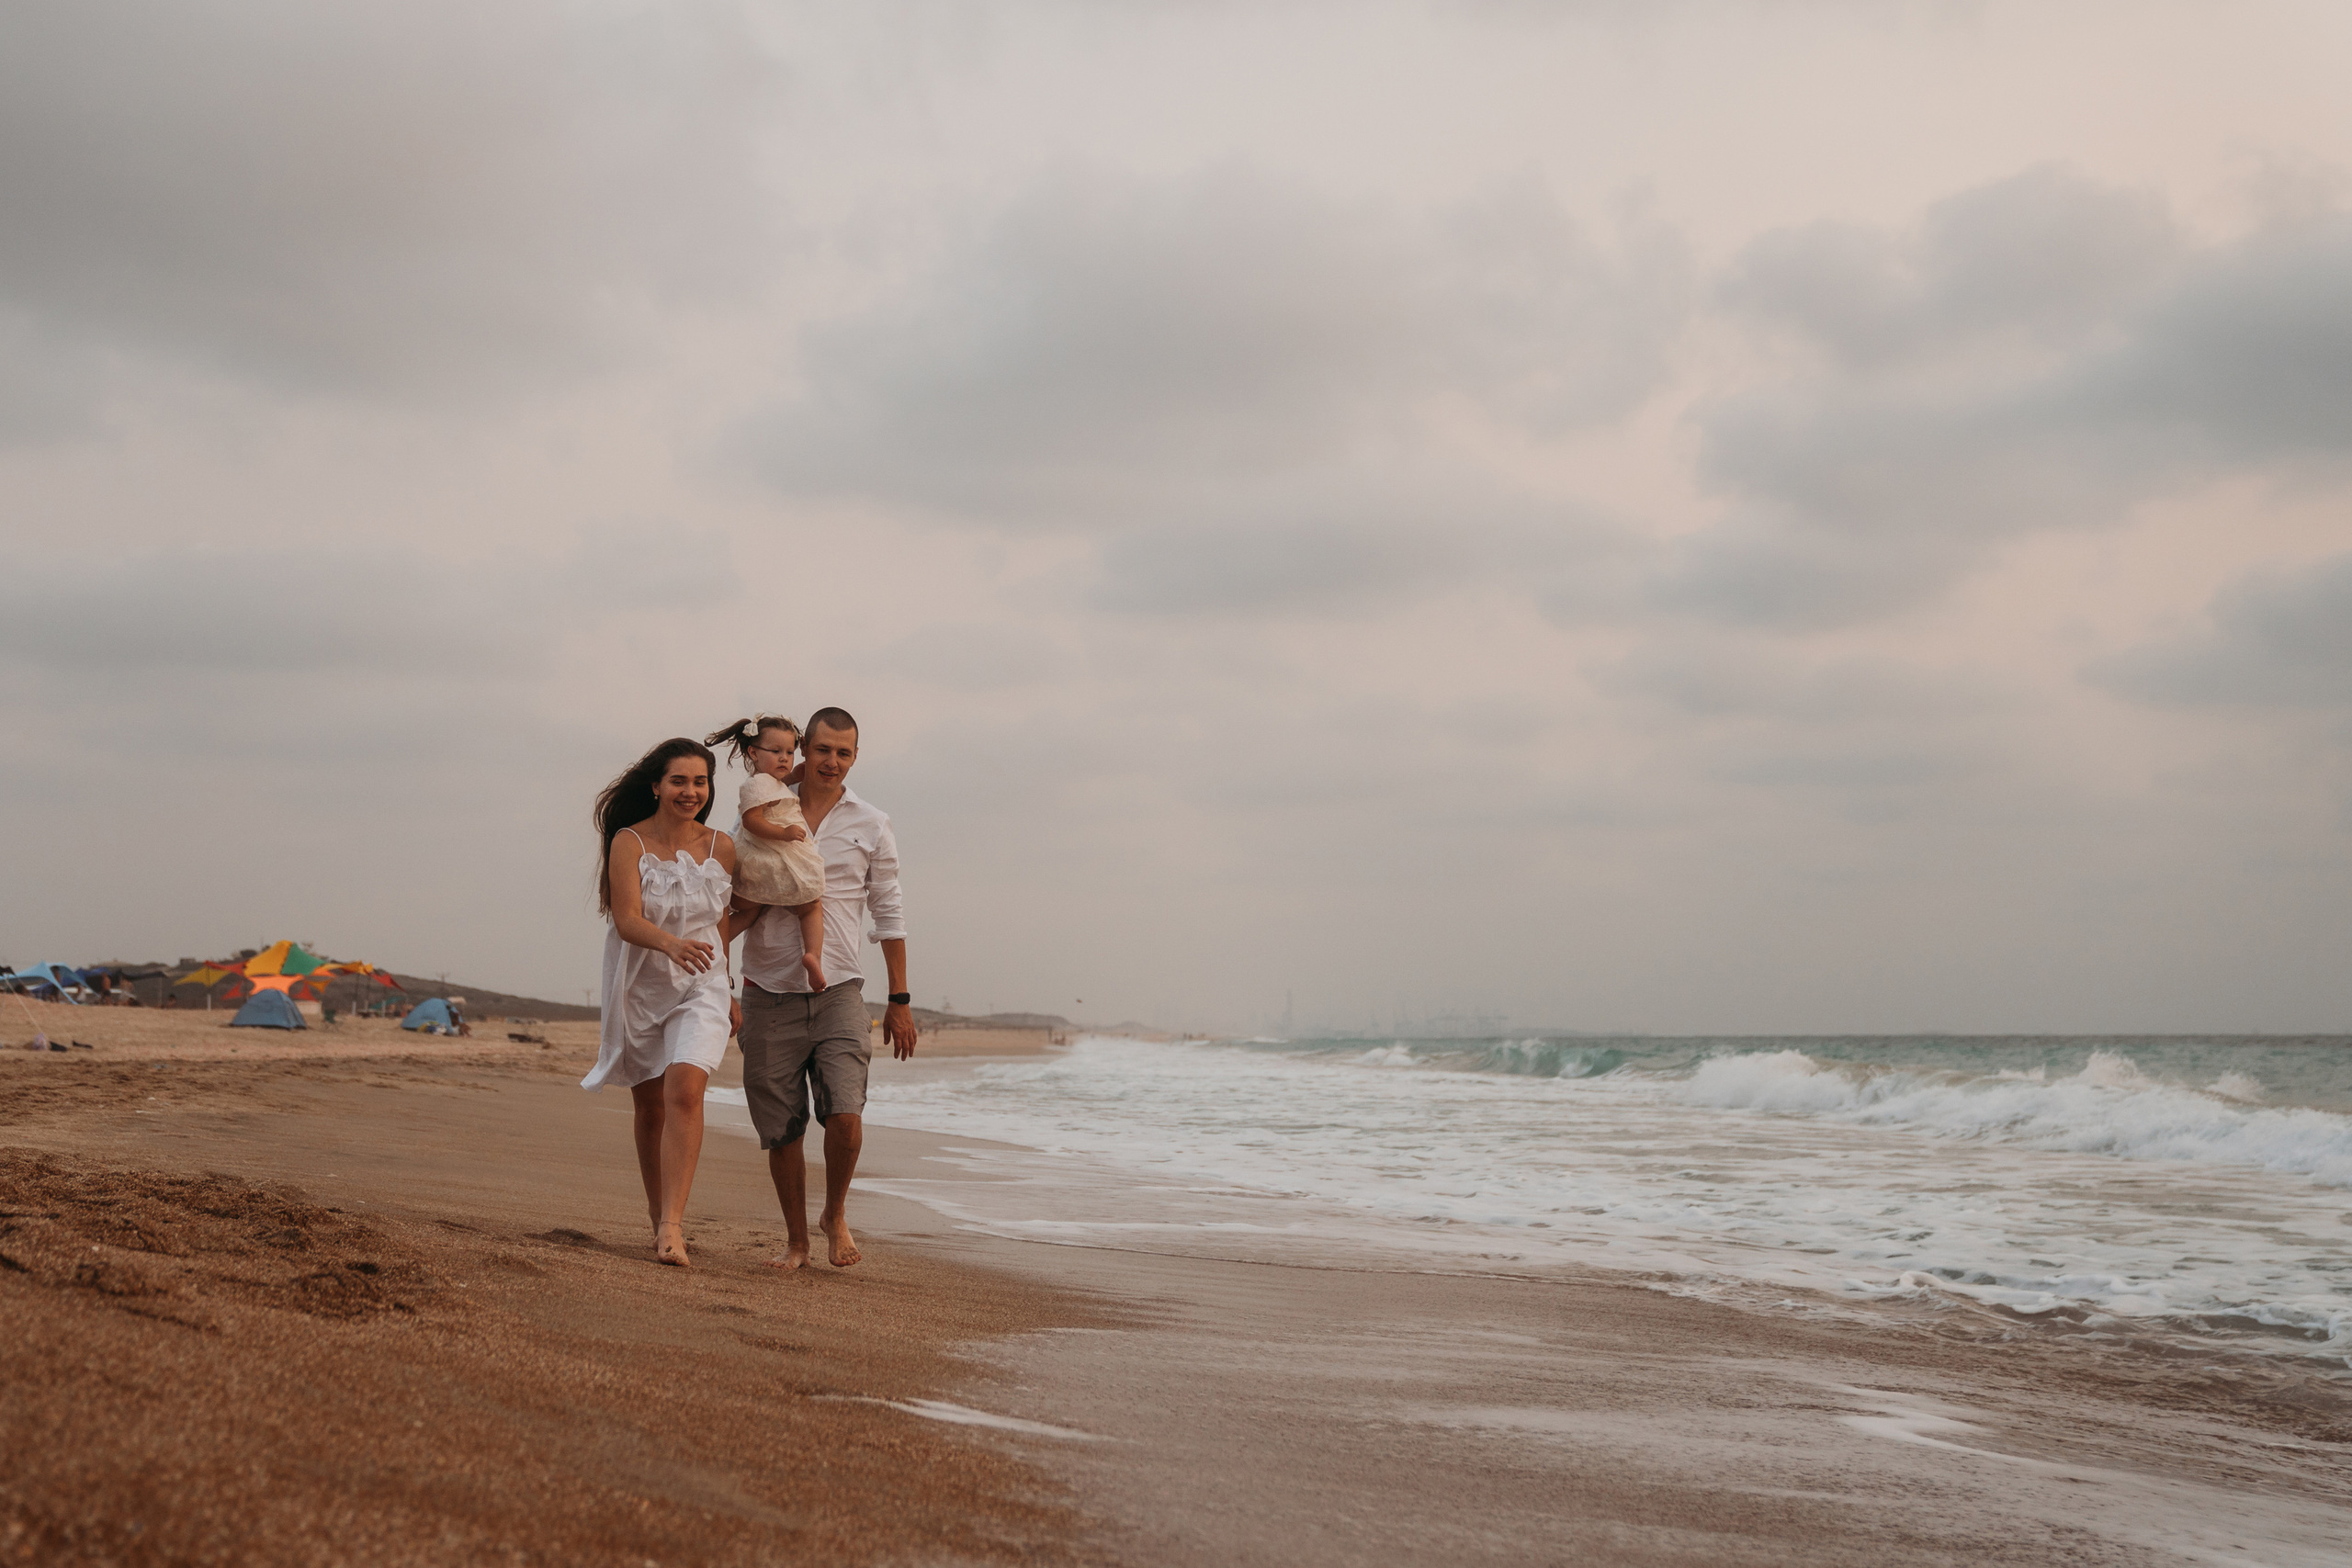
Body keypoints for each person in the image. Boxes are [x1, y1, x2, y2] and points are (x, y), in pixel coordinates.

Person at [730, 706, 916, 1269]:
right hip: (768, 988)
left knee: (845, 1115)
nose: (831, 761)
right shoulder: (759, 809)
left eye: (844, 752)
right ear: (804, 749)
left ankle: (834, 1213)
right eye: (823, 750)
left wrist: (900, 1001)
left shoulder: (872, 822)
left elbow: (888, 912)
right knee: (782, 1128)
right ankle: (796, 1242)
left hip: (840, 988)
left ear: (854, 757)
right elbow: (730, 897)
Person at [582, 737, 738, 1269]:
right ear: (656, 786)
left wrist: (729, 981)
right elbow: (626, 919)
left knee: (686, 1090)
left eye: (700, 782)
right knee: (649, 1106)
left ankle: (674, 1224)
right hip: (641, 983)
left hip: (703, 982)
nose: (691, 791)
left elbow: (720, 919)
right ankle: (656, 1216)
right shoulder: (630, 842)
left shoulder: (722, 846)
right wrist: (671, 944)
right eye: (679, 781)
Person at [704, 716, 827, 991]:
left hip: (766, 863)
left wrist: (808, 761)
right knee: (811, 904)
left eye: (790, 752)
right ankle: (813, 954)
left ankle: (713, 946)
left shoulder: (772, 782)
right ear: (753, 753)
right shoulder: (755, 785)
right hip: (769, 857)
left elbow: (793, 776)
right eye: (776, 752)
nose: (784, 758)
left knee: (748, 911)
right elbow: (751, 821)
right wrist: (784, 834)